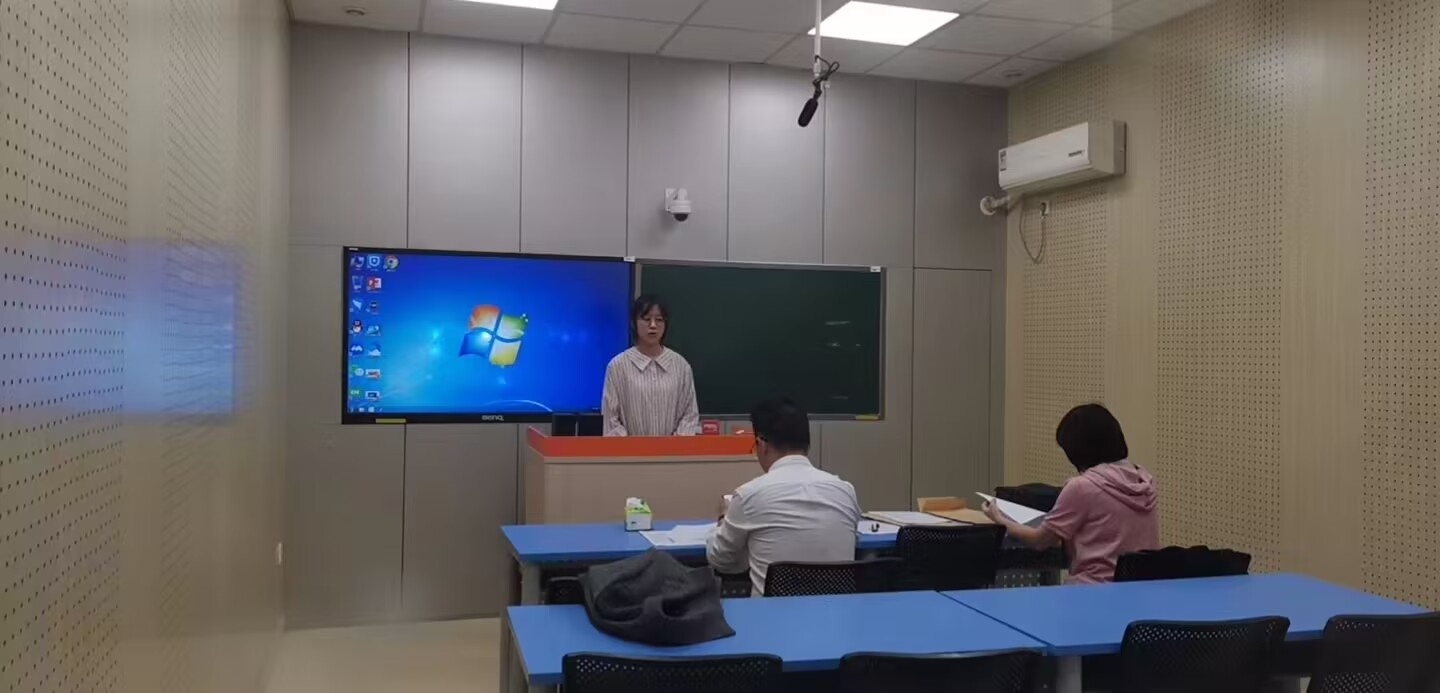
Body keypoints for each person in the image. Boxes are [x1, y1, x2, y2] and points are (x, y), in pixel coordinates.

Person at [983, 403, 1158, 584]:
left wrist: (999, 518)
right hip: (1139, 589)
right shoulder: (1144, 480)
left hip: (1091, 588)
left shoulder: (1082, 487)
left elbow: (1040, 541)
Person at [706, 397, 862, 596]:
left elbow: (721, 560)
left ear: (761, 445)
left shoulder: (749, 495)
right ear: (807, 444)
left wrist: (723, 519)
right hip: (835, 612)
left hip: (771, 615)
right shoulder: (845, 491)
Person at [601, 295, 700, 436]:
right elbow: (610, 419)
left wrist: (673, 446)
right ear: (634, 323)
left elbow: (689, 416)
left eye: (659, 320)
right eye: (646, 319)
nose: (653, 325)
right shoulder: (618, 366)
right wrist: (632, 447)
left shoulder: (681, 366)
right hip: (630, 449)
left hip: (674, 449)